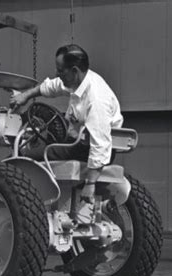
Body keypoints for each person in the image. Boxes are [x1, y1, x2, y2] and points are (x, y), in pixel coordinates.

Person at [10, 44, 123, 204]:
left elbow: (100, 145)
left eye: (61, 70)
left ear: (75, 71)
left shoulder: (96, 99)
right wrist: (26, 96)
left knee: (25, 155)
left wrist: (90, 184)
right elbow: (53, 86)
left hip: (87, 149)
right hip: (79, 142)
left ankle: (17, 198)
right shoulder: (79, 80)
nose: (57, 73)